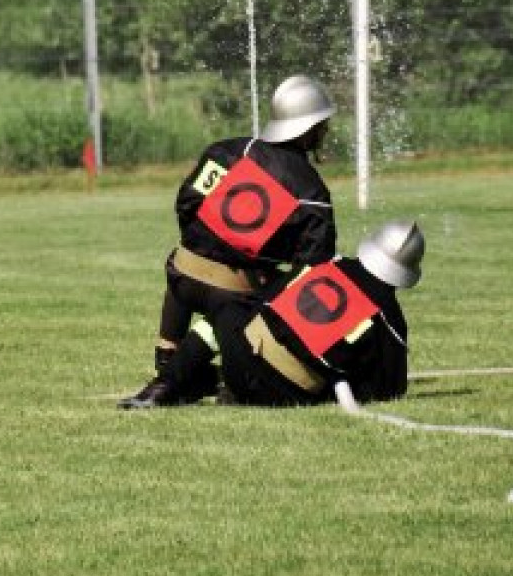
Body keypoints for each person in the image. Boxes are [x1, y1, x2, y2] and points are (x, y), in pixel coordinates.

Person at [118, 74, 338, 409]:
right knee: (260, 294)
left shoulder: (227, 151)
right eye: (322, 124)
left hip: (182, 274)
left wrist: (206, 244)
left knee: (186, 260)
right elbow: (311, 272)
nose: (325, 131)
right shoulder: (312, 193)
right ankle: (222, 378)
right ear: (309, 129)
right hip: (230, 296)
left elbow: (186, 203)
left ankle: (168, 355)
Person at [136, 219, 425, 408]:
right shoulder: (390, 320)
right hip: (284, 394)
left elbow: (263, 302)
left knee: (227, 311)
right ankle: (224, 386)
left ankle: (167, 382)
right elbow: (389, 392)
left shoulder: (326, 264)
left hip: (243, 357)